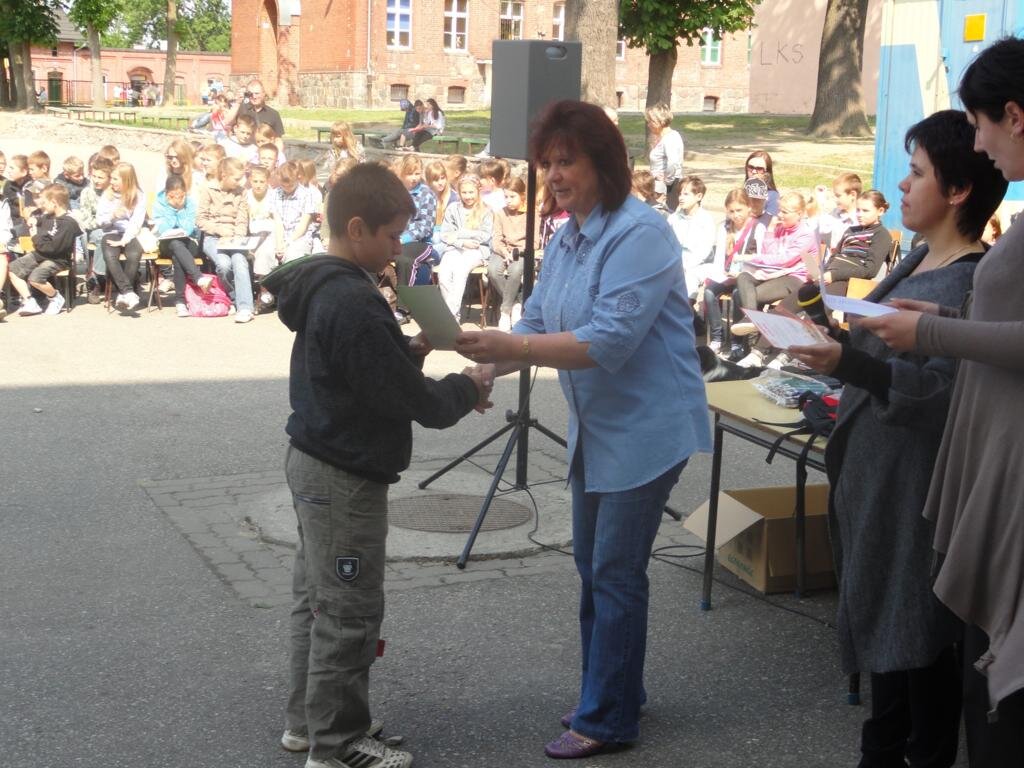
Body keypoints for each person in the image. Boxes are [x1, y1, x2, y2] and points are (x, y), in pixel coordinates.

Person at [454, 100, 711, 759]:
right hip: (598, 428)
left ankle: (607, 718)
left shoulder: (642, 233)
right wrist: (487, 366)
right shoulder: (570, 234)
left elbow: (609, 341)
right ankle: (616, 688)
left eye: (567, 161)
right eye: (547, 163)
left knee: (615, 571)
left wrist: (511, 348)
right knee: (595, 567)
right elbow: (538, 318)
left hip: (649, 428)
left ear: (605, 162)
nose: (554, 175)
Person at [788, 109, 1007, 768]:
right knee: (891, 646)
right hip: (878, 485)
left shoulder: (969, 280)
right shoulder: (915, 257)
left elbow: (940, 398)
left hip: (916, 495)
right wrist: (827, 339)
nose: (903, 186)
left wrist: (846, 362)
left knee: (918, 650)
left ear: (958, 190)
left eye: (916, 173)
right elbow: (880, 352)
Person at [263, 162, 489, 768]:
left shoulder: (327, 284)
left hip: (316, 460)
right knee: (349, 611)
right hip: (343, 476)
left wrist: (407, 349)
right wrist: (469, 386)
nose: (398, 250)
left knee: (318, 601)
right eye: (392, 237)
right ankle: (336, 747)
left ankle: (308, 724)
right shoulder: (353, 299)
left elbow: (365, 377)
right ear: (357, 228)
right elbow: (416, 404)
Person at [855, 38, 1024, 766]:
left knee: (976, 685)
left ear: (1014, 116)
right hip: (980, 464)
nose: (980, 144)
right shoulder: (928, 256)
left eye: (980, 124)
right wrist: (941, 323)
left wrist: (929, 330)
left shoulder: (969, 254)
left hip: (1001, 472)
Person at [7, 184, 80, 316]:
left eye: (44, 202)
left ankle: (55, 297)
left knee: (35, 278)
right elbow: (38, 221)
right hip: (40, 254)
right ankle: (30, 301)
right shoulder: (48, 217)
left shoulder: (68, 223)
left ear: (54, 202)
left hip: (57, 259)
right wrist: (33, 220)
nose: (42, 206)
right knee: (12, 270)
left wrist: (35, 236)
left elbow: (52, 249)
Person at [197, 157, 254, 323]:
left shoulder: (241, 192)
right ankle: (233, 298)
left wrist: (238, 237)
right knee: (223, 264)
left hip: (235, 237)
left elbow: (242, 219)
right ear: (224, 175)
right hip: (213, 237)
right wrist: (219, 230)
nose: (239, 182)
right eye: (236, 178)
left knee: (239, 261)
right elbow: (201, 220)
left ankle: (245, 308)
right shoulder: (208, 190)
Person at [151, 174, 212, 318]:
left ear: (185, 193)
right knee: (175, 244)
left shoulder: (190, 203)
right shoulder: (159, 203)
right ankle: (197, 279)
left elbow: (188, 228)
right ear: (167, 194)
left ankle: (180, 302)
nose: (177, 200)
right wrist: (173, 210)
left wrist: (181, 211)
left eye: (180, 196)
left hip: (187, 241)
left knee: (178, 253)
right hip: (166, 244)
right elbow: (164, 228)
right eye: (173, 196)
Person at [437, 173, 492, 321]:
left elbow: (486, 235)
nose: (468, 196)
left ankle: (450, 317)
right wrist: (461, 242)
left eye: (471, 192)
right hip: (455, 248)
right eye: (464, 192)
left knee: (460, 272)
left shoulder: (486, 210)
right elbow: (445, 234)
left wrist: (460, 233)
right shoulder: (453, 209)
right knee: (444, 275)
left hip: (476, 250)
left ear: (478, 192)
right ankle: (452, 313)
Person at [821, 190, 893, 296]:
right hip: (830, 274)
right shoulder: (851, 230)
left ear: (880, 211)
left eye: (865, 211)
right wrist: (822, 273)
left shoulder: (881, 235)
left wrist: (834, 275)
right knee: (804, 291)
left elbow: (870, 270)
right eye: (858, 210)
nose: (859, 214)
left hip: (850, 282)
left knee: (818, 298)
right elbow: (835, 255)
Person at [97, 161, 146, 312]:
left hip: (130, 234)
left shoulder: (138, 195)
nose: (111, 182)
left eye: (115, 179)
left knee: (134, 254)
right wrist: (112, 216)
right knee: (110, 256)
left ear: (126, 180)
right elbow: (100, 221)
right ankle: (128, 292)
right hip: (111, 232)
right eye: (111, 178)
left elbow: (136, 222)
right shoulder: (107, 195)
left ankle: (122, 295)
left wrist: (125, 240)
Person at [392, 154, 437, 305]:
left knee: (403, 258)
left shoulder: (426, 194)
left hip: (419, 242)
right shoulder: (394, 192)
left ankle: (403, 306)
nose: (414, 178)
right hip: (395, 237)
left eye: (417, 173)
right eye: (409, 174)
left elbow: (426, 226)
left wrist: (403, 239)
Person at [667, 175, 716, 301]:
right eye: (680, 194)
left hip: (699, 265)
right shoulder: (673, 218)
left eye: (686, 194)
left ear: (698, 196)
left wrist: (685, 265)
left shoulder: (706, 220)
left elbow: (704, 251)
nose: (681, 198)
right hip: (675, 263)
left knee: (689, 278)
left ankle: (687, 306)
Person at [488, 176, 527, 330]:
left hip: (521, 251)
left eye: (512, 196)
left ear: (522, 195)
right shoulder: (500, 213)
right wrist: (504, 252)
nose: (508, 200)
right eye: (506, 197)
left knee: (515, 270)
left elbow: (534, 242)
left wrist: (516, 251)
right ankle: (516, 303)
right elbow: (496, 239)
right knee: (493, 270)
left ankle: (505, 312)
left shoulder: (531, 213)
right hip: (502, 250)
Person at [645, 104, 684, 211]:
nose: (648, 125)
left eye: (651, 121)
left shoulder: (670, 138)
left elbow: (673, 162)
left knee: (666, 213)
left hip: (668, 187)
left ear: (660, 122)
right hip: (660, 184)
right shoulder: (662, 137)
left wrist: (667, 181)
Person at [815, 171, 863, 254]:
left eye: (838, 196)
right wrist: (820, 199)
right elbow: (820, 227)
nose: (835, 199)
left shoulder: (860, 220)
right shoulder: (836, 213)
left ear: (852, 195)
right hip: (832, 259)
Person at [744, 150, 780, 216]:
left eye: (759, 169)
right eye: (751, 167)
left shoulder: (773, 196)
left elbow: (770, 219)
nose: (754, 171)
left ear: (767, 172)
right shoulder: (741, 192)